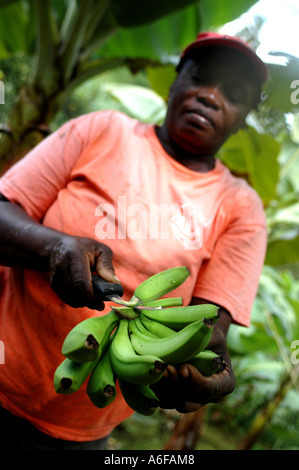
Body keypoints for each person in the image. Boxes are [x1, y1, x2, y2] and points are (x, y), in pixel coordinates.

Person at [0, 32, 268, 450]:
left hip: (84, 430)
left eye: (232, 94)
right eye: (200, 78)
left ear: (243, 118)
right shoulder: (101, 130)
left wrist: (201, 370)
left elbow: (207, 326)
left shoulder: (241, 208)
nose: (210, 98)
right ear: (175, 81)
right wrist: (53, 247)